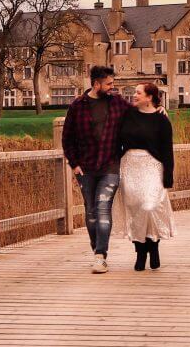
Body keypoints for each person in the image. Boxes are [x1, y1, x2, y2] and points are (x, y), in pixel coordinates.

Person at [61, 65, 131, 273]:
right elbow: (67, 139)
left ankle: (101, 255)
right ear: (96, 84)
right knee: (91, 212)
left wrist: (157, 111)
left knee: (102, 208)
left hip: (110, 165)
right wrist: (74, 164)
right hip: (86, 168)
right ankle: (96, 251)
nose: (112, 87)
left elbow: (138, 116)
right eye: (108, 84)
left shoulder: (118, 103)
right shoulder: (77, 107)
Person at [114, 82, 175, 271]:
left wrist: (168, 176)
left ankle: (153, 246)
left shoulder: (161, 119)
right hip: (130, 166)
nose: (134, 95)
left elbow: (167, 150)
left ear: (149, 97)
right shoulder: (127, 114)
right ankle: (140, 253)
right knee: (135, 210)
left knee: (150, 207)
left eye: (138, 93)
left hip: (152, 166)